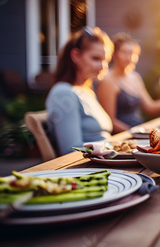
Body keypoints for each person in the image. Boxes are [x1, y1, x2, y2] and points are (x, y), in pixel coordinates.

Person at [97, 32, 160, 133]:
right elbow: (110, 122)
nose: (130, 58)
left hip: (139, 130)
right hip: (125, 137)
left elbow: (150, 107)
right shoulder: (108, 81)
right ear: (114, 54)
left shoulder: (135, 77)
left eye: (133, 53)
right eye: (125, 52)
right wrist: (137, 132)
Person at [46, 27, 114, 155]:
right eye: (95, 58)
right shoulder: (63, 93)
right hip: (92, 169)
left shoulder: (86, 91)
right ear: (75, 56)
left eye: (106, 60)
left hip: (108, 161)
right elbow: (70, 150)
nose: (102, 66)